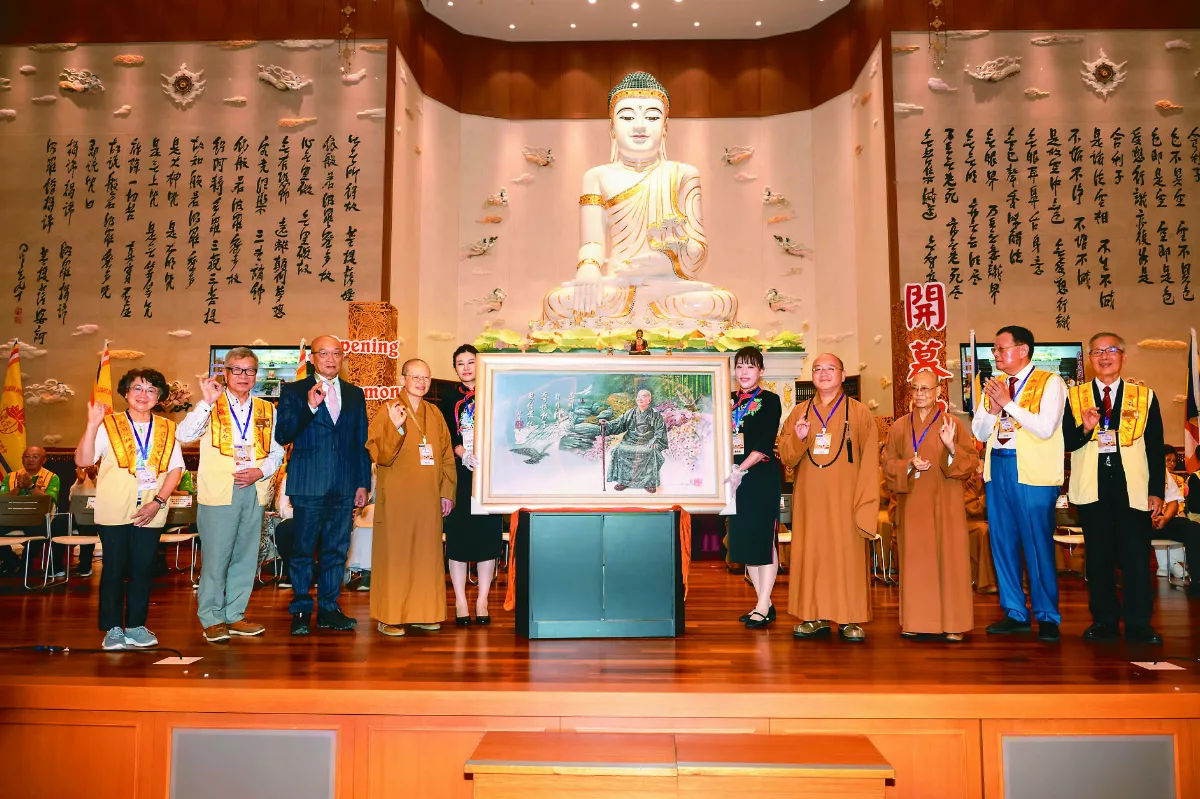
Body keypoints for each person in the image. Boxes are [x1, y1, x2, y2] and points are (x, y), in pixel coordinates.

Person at [542, 71, 737, 325]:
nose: (640, 125)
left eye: (652, 116)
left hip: (668, 285)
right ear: (612, 127)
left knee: (720, 302)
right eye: (627, 116)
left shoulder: (684, 174)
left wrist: (664, 262)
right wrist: (588, 268)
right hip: (617, 285)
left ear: (665, 127)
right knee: (558, 301)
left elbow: (698, 249)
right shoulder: (596, 176)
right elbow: (592, 241)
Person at [177, 347, 285, 643]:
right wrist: (205, 404)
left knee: (246, 556)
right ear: (225, 373)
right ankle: (212, 617)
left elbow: (276, 452)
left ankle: (235, 614)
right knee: (216, 556)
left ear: (256, 375)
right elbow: (183, 436)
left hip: (254, 489)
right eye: (236, 369)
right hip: (219, 492)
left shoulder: (267, 409)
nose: (243, 376)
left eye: (249, 370)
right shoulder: (211, 404)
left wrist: (259, 472)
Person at [1062, 333, 1165, 644]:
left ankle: (1138, 625)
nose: (1104, 357)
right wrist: (1086, 427)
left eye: (1110, 351)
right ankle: (1105, 621)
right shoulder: (1074, 396)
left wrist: (1156, 490)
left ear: (1123, 357)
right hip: (1092, 489)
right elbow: (1065, 442)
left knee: (1136, 559)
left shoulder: (1144, 396)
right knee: (1099, 560)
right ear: (1089, 359)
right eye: (1096, 352)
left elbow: (1155, 448)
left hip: (1132, 488)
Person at [74, 368, 184, 650]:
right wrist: (90, 425)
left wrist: (158, 501)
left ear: (158, 396)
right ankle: (112, 628)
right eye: (137, 388)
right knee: (113, 568)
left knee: (142, 569)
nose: (143, 395)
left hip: (152, 508)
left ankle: (136, 625)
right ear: (126, 393)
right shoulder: (108, 425)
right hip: (113, 508)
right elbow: (85, 460)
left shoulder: (167, 428)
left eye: (151, 390)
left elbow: (175, 469)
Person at [971, 325, 1066, 643]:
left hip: (1032, 473)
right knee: (1003, 543)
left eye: (1000, 348)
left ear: (1023, 350)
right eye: (994, 350)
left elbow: (1045, 428)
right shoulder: (994, 386)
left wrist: (1009, 405)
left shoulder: (1050, 382)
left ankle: (1047, 615)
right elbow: (980, 433)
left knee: (1037, 545)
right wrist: (993, 409)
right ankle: (1014, 611)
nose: (995, 354)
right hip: (997, 468)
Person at [778, 353, 880, 642]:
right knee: (813, 556)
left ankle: (849, 619)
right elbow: (786, 456)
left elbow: (870, 461)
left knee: (846, 556)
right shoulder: (799, 412)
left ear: (843, 374)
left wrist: (866, 502)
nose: (823, 374)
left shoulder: (859, 413)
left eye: (830, 369)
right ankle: (814, 616)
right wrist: (799, 438)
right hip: (810, 501)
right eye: (817, 369)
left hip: (846, 499)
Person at [273, 335, 371, 636]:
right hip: (308, 484)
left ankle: (329, 608)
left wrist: (362, 483)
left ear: (343, 358)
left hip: (343, 485)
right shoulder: (294, 391)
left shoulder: (355, 394)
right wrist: (310, 408)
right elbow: (283, 434)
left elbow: (360, 442)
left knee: (337, 551)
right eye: (323, 353)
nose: (330, 358)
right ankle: (301, 608)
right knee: (303, 550)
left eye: (336, 353)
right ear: (312, 357)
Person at [882, 370, 978, 641]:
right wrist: (908, 465)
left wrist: (950, 449)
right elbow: (888, 465)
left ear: (938, 392)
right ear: (910, 393)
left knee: (950, 560)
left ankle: (953, 623)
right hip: (913, 502)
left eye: (926, 388)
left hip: (945, 501)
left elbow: (969, 462)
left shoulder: (953, 424)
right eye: (915, 389)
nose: (920, 394)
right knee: (916, 561)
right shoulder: (899, 426)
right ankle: (917, 620)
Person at [367, 358, 456, 637]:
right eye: (415, 376)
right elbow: (378, 454)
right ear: (403, 378)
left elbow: (447, 457)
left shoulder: (435, 413)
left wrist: (446, 492)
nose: (421, 382)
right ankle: (391, 616)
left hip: (429, 497)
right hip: (396, 497)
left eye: (426, 377)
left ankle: (424, 612)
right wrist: (394, 427)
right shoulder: (388, 409)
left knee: (426, 556)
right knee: (396, 556)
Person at [436, 345, 503, 626]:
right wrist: (464, 454)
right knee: (459, 538)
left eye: (470, 362)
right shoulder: (447, 399)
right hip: (460, 474)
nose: (465, 368)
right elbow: (445, 437)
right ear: (454, 368)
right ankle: (461, 601)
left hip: (488, 475)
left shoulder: (496, 394)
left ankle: (483, 599)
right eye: (460, 363)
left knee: (487, 538)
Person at [724, 346, 783, 629]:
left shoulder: (770, 400)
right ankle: (764, 603)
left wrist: (740, 468)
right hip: (733, 482)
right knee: (746, 543)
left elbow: (763, 443)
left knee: (763, 541)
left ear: (761, 371)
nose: (744, 372)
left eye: (750, 366)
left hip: (759, 478)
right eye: (740, 366)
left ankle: (762, 604)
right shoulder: (728, 401)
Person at [0, 446, 63, 577]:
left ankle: (26, 563)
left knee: (42, 531)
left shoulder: (52, 477)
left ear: (44, 460)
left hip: (36, 519)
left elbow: (49, 500)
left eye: (35, 456)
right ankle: (11, 560)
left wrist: (30, 487)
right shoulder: (10, 476)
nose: (30, 460)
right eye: (27, 456)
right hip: (11, 518)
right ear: (22, 459)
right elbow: (2, 500)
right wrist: (18, 488)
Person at [601, 389, 668, 492]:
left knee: (650, 452)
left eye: (643, 396)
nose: (640, 398)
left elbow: (660, 430)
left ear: (649, 400)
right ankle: (623, 481)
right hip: (630, 441)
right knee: (619, 449)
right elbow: (619, 423)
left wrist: (654, 441)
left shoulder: (655, 414)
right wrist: (607, 424)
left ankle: (649, 483)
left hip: (647, 442)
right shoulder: (631, 412)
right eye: (638, 396)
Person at [1153, 459, 1200, 598]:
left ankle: (1197, 582)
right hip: (1135, 520)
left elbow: (1173, 500)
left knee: (1193, 529)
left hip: (1162, 518)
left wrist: (1165, 518)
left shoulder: (1160, 470)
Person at [963, 461, 999, 594]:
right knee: (985, 531)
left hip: (990, 519)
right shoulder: (969, 479)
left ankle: (1019, 582)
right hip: (967, 521)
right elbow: (971, 507)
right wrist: (989, 496)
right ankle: (986, 581)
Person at [70, 465, 99, 577]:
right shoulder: (82, 475)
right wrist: (80, 482)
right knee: (58, 524)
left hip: (107, 515)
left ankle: (85, 565)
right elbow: (72, 498)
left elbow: (110, 494)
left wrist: (94, 479)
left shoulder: (111, 470)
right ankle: (57, 567)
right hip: (85, 516)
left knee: (89, 524)